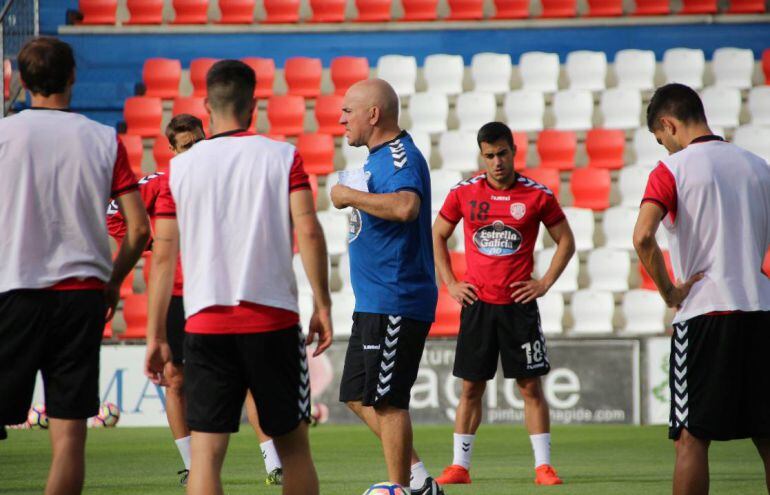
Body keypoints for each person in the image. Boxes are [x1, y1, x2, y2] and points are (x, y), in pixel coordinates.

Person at [144, 59, 332, 495]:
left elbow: (163, 255)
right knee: (295, 450)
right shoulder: (283, 156)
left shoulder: (181, 169)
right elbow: (308, 229)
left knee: (207, 456)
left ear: (208, 105)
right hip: (273, 322)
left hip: (207, 323)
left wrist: (156, 333)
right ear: (254, 104)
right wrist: (322, 305)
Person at [0, 37, 150, 494]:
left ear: (22, 83)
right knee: (69, 436)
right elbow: (139, 229)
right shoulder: (104, 139)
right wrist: (111, 282)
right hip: (81, 295)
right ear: (72, 77)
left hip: (14, 291)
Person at [107, 114, 285, 487]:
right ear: (171, 150)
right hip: (176, 295)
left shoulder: (223, 177)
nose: (194, 151)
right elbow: (114, 216)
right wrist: (154, 242)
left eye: (198, 143)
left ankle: (274, 463)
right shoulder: (159, 183)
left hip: (220, 290)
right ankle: (192, 465)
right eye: (185, 146)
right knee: (176, 381)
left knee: (250, 378)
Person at [633, 83, 770, 495]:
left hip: (706, 314)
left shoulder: (672, 170)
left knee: (692, 437)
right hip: (762, 310)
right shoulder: (759, 166)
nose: (665, 149)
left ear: (667, 124)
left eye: (662, 140)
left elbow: (642, 237)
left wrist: (670, 292)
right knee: (767, 435)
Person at [432, 122, 573, 486]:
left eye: (502, 154)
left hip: (518, 306)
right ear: (482, 155)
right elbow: (438, 233)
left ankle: (543, 467)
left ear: (514, 151)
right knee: (470, 388)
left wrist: (543, 283)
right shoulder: (464, 192)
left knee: (530, 388)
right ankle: (459, 467)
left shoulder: (536, 195)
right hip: (478, 304)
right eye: (489, 155)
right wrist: (450, 282)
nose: (497, 162)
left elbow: (566, 241)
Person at [331, 78, 442, 495]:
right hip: (373, 298)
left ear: (373, 115)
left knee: (389, 402)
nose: (341, 119)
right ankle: (418, 481)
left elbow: (406, 206)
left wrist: (348, 196)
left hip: (396, 295)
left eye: (348, 111)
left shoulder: (399, 156)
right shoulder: (375, 160)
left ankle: (399, 489)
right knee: (357, 396)